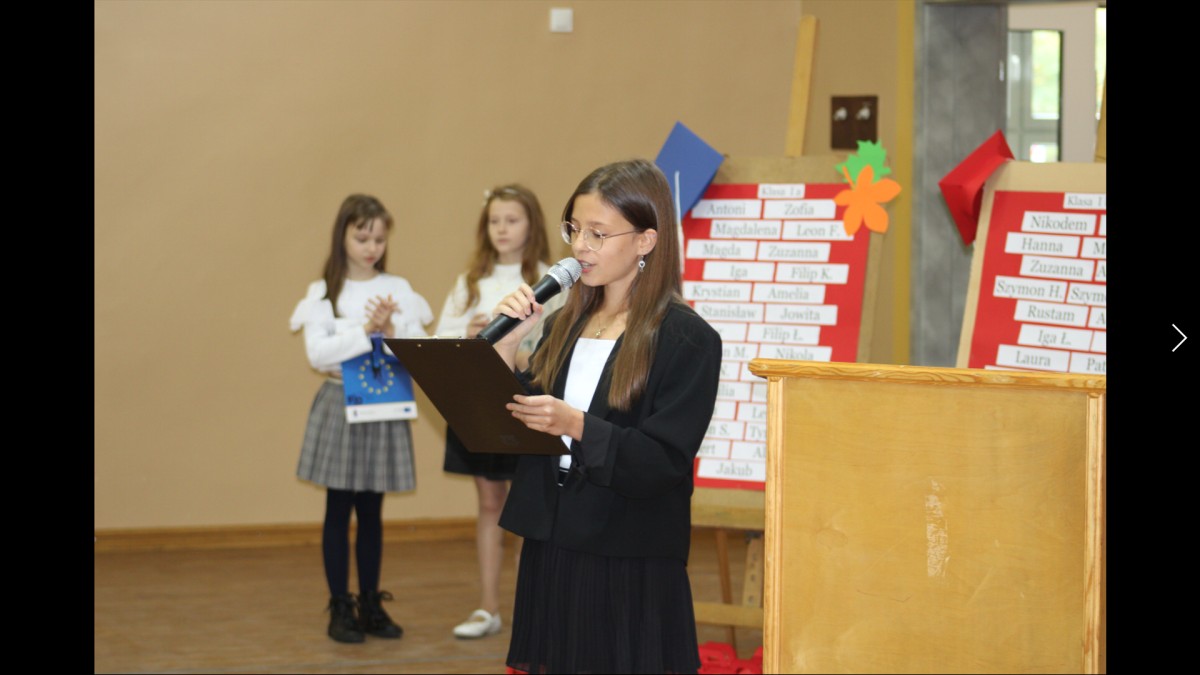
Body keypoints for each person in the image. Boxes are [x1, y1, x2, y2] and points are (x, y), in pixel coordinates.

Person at [489, 159, 723, 673]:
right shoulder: (565, 323)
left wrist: (575, 424)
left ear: (645, 241)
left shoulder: (687, 338)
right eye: (574, 229)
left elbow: (663, 461)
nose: (580, 247)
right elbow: (521, 421)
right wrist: (505, 348)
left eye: (598, 233)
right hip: (554, 538)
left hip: (626, 551)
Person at [288, 194, 434, 644]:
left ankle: (371, 603)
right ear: (343, 237)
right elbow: (319, 354)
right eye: (362, 237)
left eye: (379, 239)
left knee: (372, 509)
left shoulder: (399, 288)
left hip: (383, 404)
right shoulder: (324, 292)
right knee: (339, 508)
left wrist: (389, 332)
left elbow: (417, 349)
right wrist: (364, 331)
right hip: (339, 402)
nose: (371, 247)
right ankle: (340, 605)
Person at [433, 183, 564, 640]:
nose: (502, 229)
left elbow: (556, 350)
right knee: (490, 504)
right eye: (494, 221)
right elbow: (441, 343)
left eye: (512, 220)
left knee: (528, 507)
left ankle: (533, 609)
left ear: (532, 224)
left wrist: (517, 346)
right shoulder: (470, 281)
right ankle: (488, 607)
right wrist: (470, 337)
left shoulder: (550, 280)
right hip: (479, 403)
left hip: (528, 402)